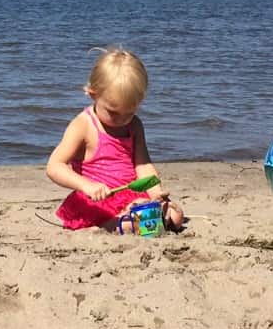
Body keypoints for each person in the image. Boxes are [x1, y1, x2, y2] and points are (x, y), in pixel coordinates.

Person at [46, 47, 186, 230]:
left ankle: (137, 221)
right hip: (98, 201)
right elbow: (55, 166)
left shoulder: (134, 125)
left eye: (129, 112)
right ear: (92, 93)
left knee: (176, 216)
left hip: (130, 196)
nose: (121, 120)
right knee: (135, 222)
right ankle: (125, 223)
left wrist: (155, 191)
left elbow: (142, 165)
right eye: (113, 112)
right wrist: (87, 186)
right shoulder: (84, 125)